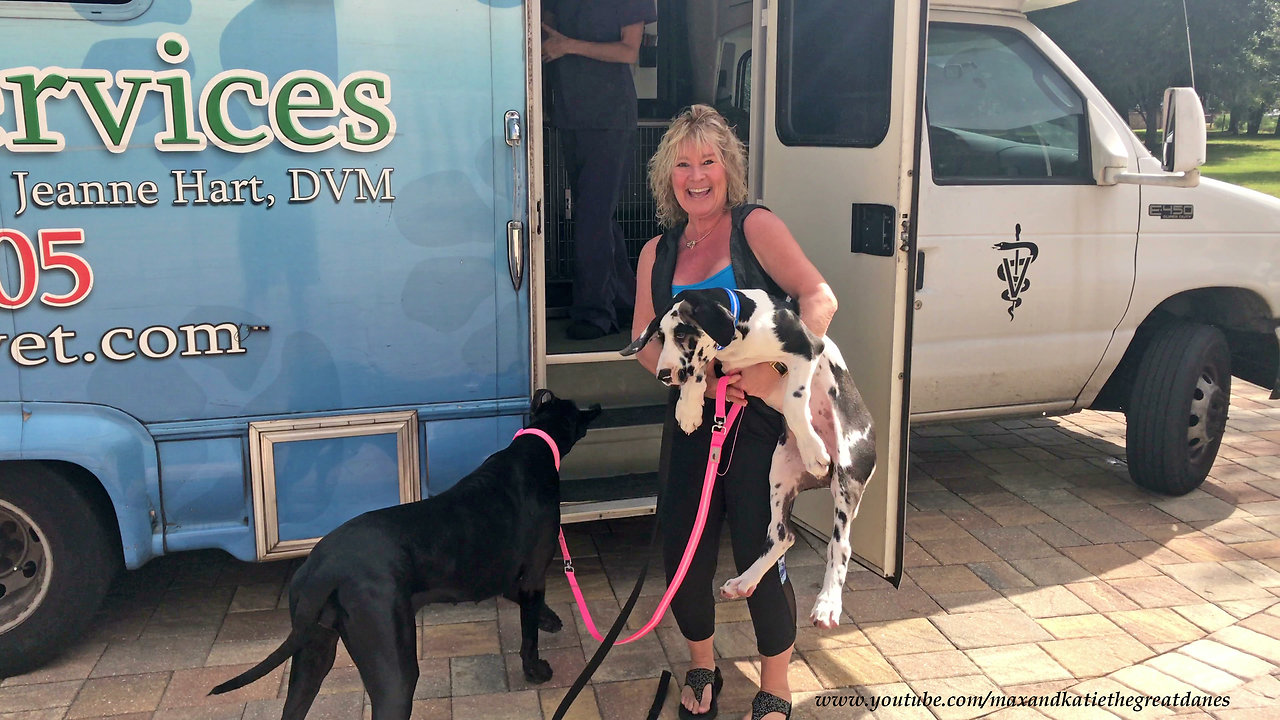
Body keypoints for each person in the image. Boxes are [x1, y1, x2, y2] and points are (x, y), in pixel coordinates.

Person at [630, 105, 838, 720]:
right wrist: (687, 373)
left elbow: (818, 298)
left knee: (759, 542)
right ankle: (702, 663)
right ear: (668, 175)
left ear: (729, 169)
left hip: (761, 420)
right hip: (693, 417)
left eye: (709, 161)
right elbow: (646, 343)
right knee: (684, 548)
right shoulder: (655, 253)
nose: (697, 176)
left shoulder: (755, 227)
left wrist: (772, 371)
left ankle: (777, 679)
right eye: (684, 164)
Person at [542, 0, 657, 340]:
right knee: (597, 216)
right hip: (568, 114)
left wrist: (568, 46)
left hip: (610, 118)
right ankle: (626, 304)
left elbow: (629, 51)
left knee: (592, 216)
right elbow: (544, 32)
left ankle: (594, 314)